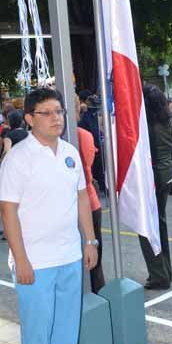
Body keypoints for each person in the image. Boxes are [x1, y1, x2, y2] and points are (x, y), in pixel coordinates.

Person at [0, 88, 97, 344]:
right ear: (29, 118)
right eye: (47, 113)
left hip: (69, 253)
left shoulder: (70, 153)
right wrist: (21, 259)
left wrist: (90, 241)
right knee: (38, 327)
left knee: (67, 321)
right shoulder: (19, 158)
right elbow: (8, 212)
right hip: (35, 261)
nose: (56, 118)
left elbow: (81, 198)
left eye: (59, 111)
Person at [138, 85, 172, 289]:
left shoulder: (148, 126)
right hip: (166, 173)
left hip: (153, 177)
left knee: (147, 228)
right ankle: (165, 270)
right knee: (159, 224)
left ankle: (159, 275)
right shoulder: (169, 121)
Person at [75, 95, 105, 294]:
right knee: (95, 264)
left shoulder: (75, 137)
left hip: (82, 202)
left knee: (88, 262)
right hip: (91, 201)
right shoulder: (85, 135)